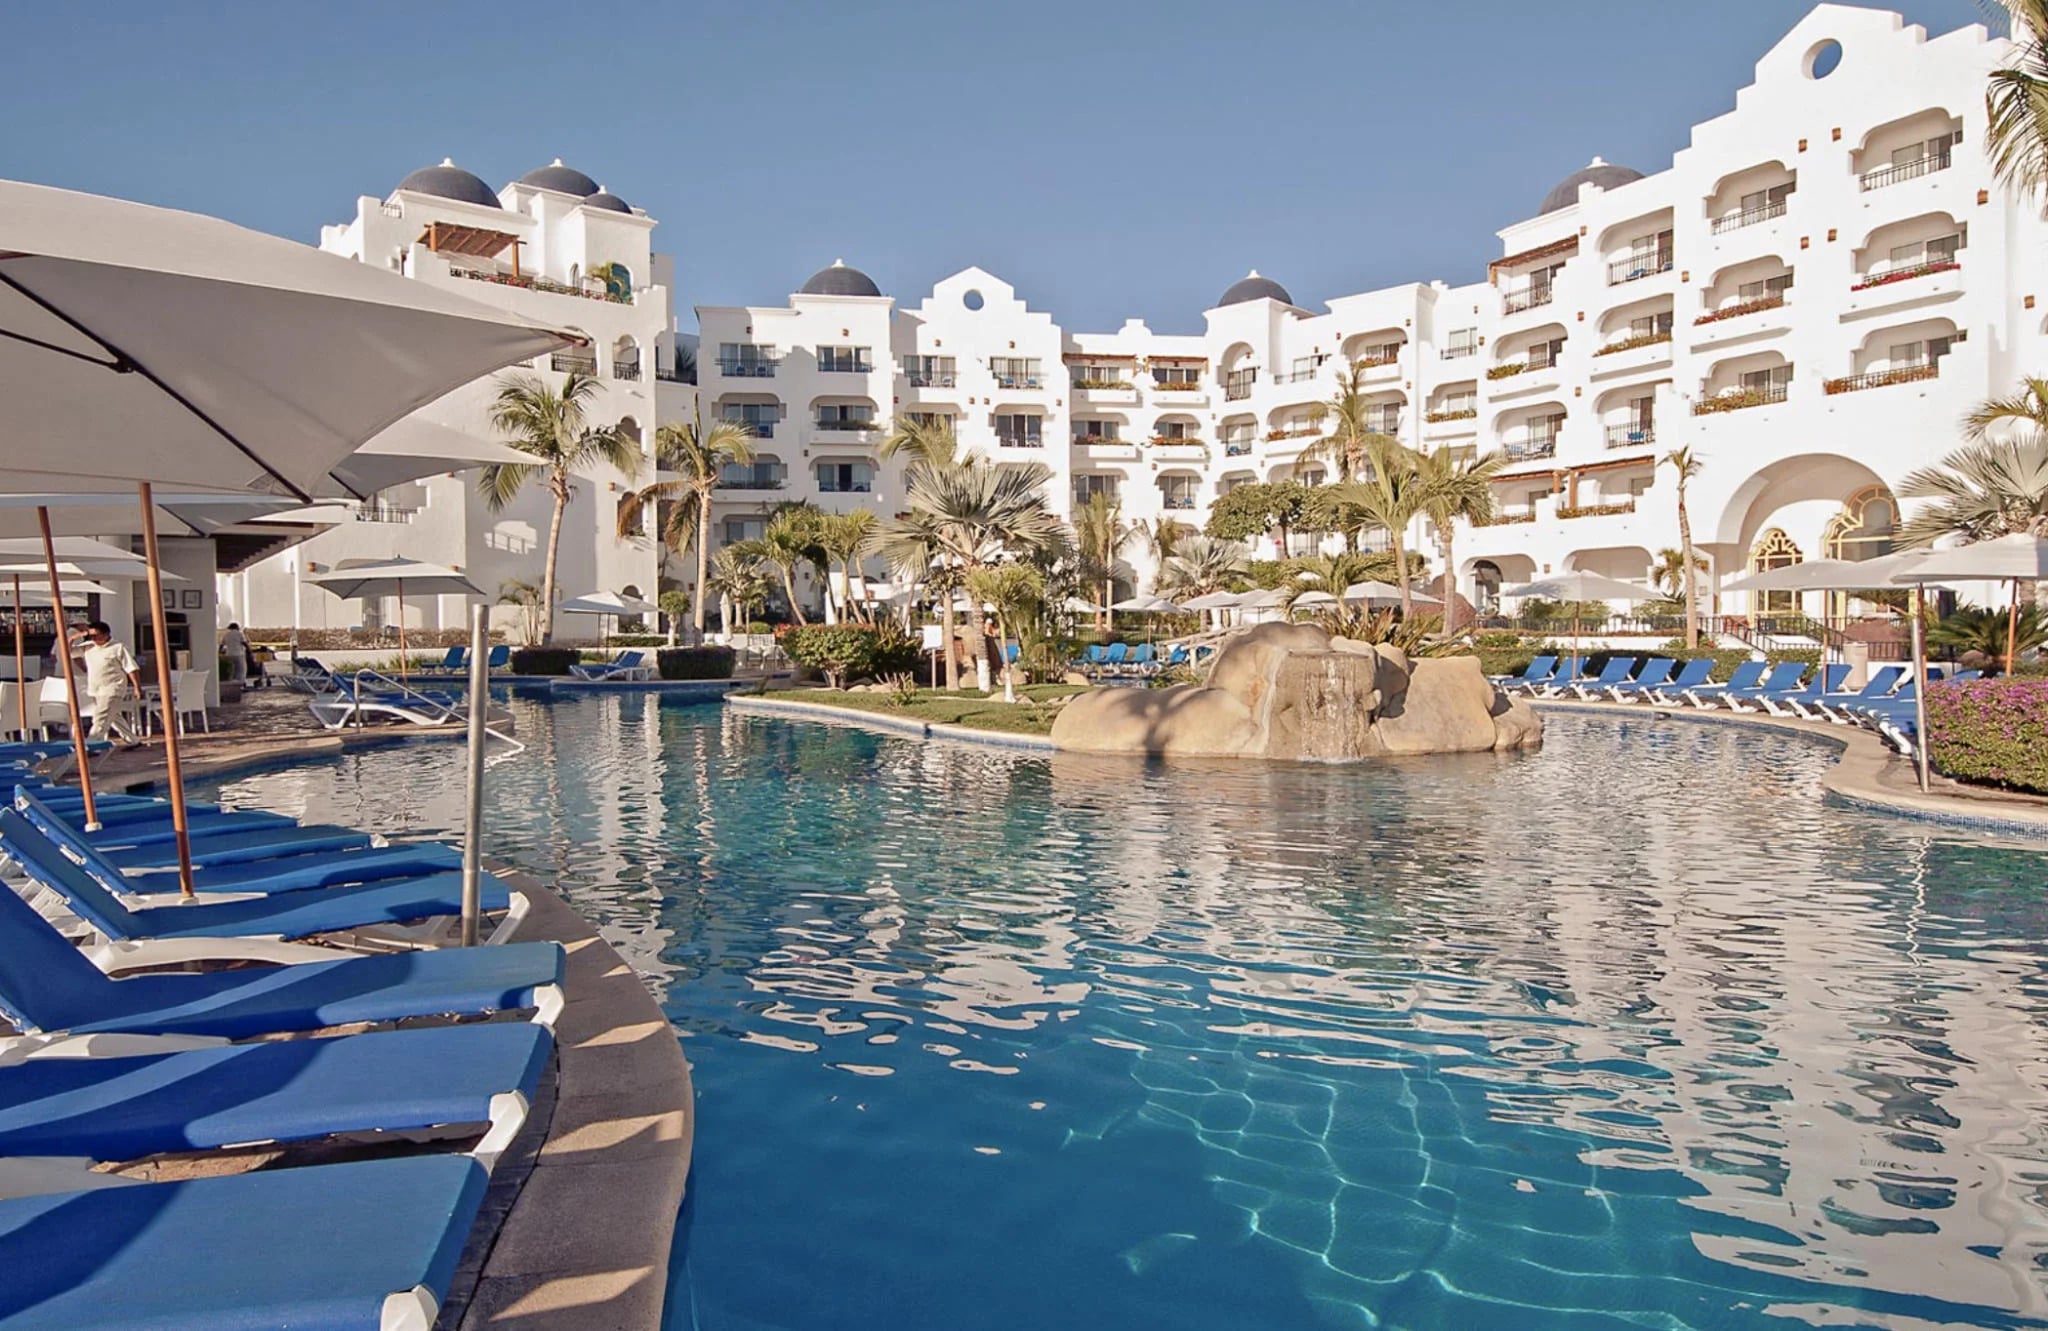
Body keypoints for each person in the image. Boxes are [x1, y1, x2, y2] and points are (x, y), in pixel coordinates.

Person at [68, 620, 142, 749]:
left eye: (96, 635)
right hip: (96, 689)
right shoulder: (88, 646)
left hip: (113, 688)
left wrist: (137, 687)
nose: (94, 638)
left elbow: (131, 668)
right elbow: (68, 652)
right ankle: (133, 740)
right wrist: (73, 638)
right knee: (113, 716)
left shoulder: (118, 647)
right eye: (91, 636)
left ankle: (92, 745)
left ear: (106, 634)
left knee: (100, 718)